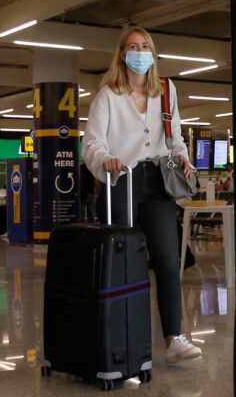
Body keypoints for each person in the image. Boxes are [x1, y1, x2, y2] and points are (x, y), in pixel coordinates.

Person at [83, 26, 204, 365]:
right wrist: (103, 159)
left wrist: (183, 156)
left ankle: (174, 337)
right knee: (125, 261)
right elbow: (92, 142)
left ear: (153, 53)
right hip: (122, 179)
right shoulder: (108, 95)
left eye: (145, 46)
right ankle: (121, 334)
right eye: (133, 47)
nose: (140, 52)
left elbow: (175, 134)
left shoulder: (165, 90)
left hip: (158, 180)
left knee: (167, 259)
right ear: (122, 54)